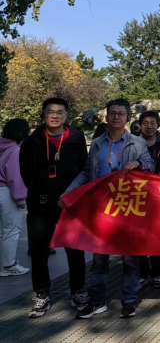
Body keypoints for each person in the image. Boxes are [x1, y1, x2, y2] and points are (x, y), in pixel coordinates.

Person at [62, 98, 154, 319]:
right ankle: (97, 301)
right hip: (102, 208)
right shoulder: (97, 143)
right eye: (112, 113)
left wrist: (139, 164)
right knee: (99, 258)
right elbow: (87, 172)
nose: (116, 117)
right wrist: (69, 192)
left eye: (121, 113)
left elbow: (151, 167)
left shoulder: (137, 143)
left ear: (127, 117)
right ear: (107, 116)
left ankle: (129, 301)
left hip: (128, 207)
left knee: (130, 258)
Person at [19, 98, 88, 318]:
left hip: (70, 202)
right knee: (38, 250)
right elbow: (25, 171)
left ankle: (78, 291)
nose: (55, 115)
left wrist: (72, 194)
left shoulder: (76, 138)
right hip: (40, 203)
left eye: (60, 112)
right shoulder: (33, 140)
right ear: (43, 115)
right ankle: (41, 294)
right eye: (50, 111)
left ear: (66, 115)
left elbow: (83, 168)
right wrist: (39, 189)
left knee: (75, 249)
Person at [137, 110, 160, 289]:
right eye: (145, 123)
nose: (149, 126)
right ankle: (143, 273)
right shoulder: (133, 143)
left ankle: (158, 272)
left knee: (158, 234)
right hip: (138, 194)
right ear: (140, 125)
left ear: (158, 125)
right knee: (138, 235)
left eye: (153, 123)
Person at [1, 119, 29, 278]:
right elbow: (14, 178)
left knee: (1, 230)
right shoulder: (14, 150)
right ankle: (8, 265)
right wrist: (20, 199)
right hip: (6, 192)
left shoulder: (2, 146)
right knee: (11, 230)